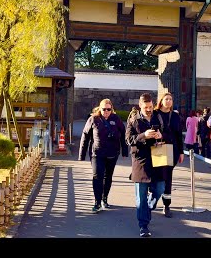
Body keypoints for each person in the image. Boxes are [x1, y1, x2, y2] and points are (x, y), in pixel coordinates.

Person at [125, 93, 165, 237]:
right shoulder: (133, 119)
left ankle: (147, 209)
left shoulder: (157, 117)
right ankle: (143, 226)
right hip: (140, 162)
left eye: (150, 106)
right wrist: (144, 135)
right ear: (140, 105)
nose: (149, 109)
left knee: (160, 189)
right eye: (146, 107)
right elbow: (128, 140)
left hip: (157, 159)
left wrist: (160, 136)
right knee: (141, 197)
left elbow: (164, 134)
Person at [78, 98, 128, 213]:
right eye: (104, 109)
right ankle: (97, 202)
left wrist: (125, 151)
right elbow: (85, 136)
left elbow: (123, 135)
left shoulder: (116, 119)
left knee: (108, 177)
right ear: (99, 109)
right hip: (97, 153)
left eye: (108, 109)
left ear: (112, 109)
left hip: (112, 153)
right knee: (97, 176)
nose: (106, 111)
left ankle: (104, 199)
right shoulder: (93, 119)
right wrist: (82, 154)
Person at [154, 92, 184, 218]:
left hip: (173, 150)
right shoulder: (155, 114)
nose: (169, 101)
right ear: (161, 101)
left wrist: (181, 152)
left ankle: (166, 205)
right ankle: (153, 198)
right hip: (158, 149)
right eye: (166, 99)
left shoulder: (176, 116)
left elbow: (178, 135)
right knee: (157, 176)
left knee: (167, 178)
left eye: (171, 99)